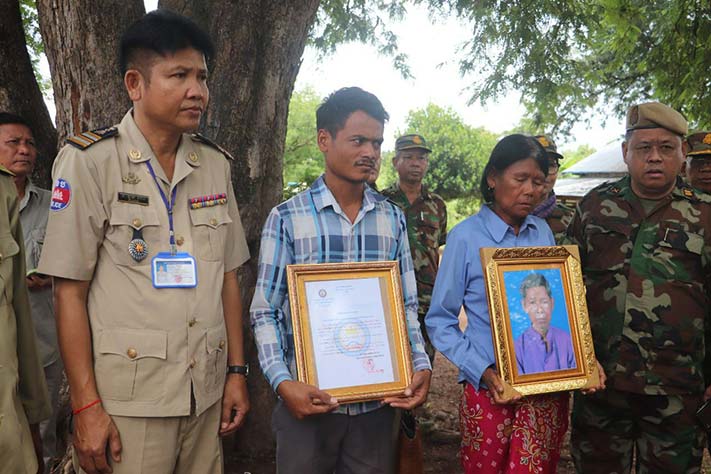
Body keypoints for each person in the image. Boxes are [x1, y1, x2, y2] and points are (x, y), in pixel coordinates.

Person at [37, 10, 250, 474]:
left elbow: (228, 277)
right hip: (129, 400)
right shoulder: (90, 161)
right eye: (180, 75)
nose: (198, 91)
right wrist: (85, 406)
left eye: (202, 77)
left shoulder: (215, 165)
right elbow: (68, 291)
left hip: (204, 390)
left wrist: (236, 372)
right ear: (135, 84)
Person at [250, 86, 432, 474]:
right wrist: (283, 383)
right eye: (358, 140)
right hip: (308, 405)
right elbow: (265, 311)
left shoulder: (392, 219)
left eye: (377, 143)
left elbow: (405, 306)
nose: (370, 152)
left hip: (376, 407)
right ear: (324, 140)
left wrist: (420, 364)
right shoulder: (287, 219)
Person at [426, 134, 604, 474]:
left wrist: (582, 358)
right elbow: (440, 321)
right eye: (520, 179)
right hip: (490, 388)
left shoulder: (543, 233)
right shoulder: (465, 237)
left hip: (545, 386)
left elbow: (558, 307)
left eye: (538, 182)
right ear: (493, 178)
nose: (530, 190)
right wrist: (481, 369)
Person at [568, 102, 711, 473]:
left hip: (676, 389)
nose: (654, 157)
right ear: (625, 152)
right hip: (600, 385)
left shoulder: (705, 214)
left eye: (666, 147)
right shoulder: (594, 206)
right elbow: (565, 286)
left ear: (683, 153)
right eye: (644, 147)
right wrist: (575, 360)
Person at [0, 112, 62, 470]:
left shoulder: (55, 205)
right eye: (13, 142)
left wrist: (51, 277)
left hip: (43, 343)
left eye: (30, 143)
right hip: (3, 346)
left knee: (43, 432)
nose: (24, 150)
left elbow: (77, 262)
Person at [381, 134, 447, 362]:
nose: (416, 163)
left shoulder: (437, 204)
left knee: (424, 362)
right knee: (391, 361)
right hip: (391, 296)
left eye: (421, 158)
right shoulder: (381, 201)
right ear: (395, 162)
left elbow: (437, 246)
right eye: (408, 157)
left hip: (426, 300)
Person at [513, 272, 575, 375]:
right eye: (532, 302)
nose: (540, 310)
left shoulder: (568, 340)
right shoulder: (517, 348)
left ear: (552, 303)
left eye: (544, 301)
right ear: (524, 306)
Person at [531, 134, 574, 244]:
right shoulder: (507, 217)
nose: (544, 173)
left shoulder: (572, 219)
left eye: (551, 165)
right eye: (538, 164)